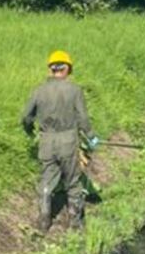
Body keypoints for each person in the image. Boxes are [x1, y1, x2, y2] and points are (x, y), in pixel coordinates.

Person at [21, 50, 95, 233]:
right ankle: (75, 224)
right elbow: (83, 118)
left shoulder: (39, 90)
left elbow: (25, 116)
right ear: (67, 69)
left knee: (47, 180)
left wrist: (29, 130)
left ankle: (44, 221)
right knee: (72, 181)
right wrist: (91, 136)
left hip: (46, 140)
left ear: (50, 69)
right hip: (68, 140)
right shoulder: (74, 90)